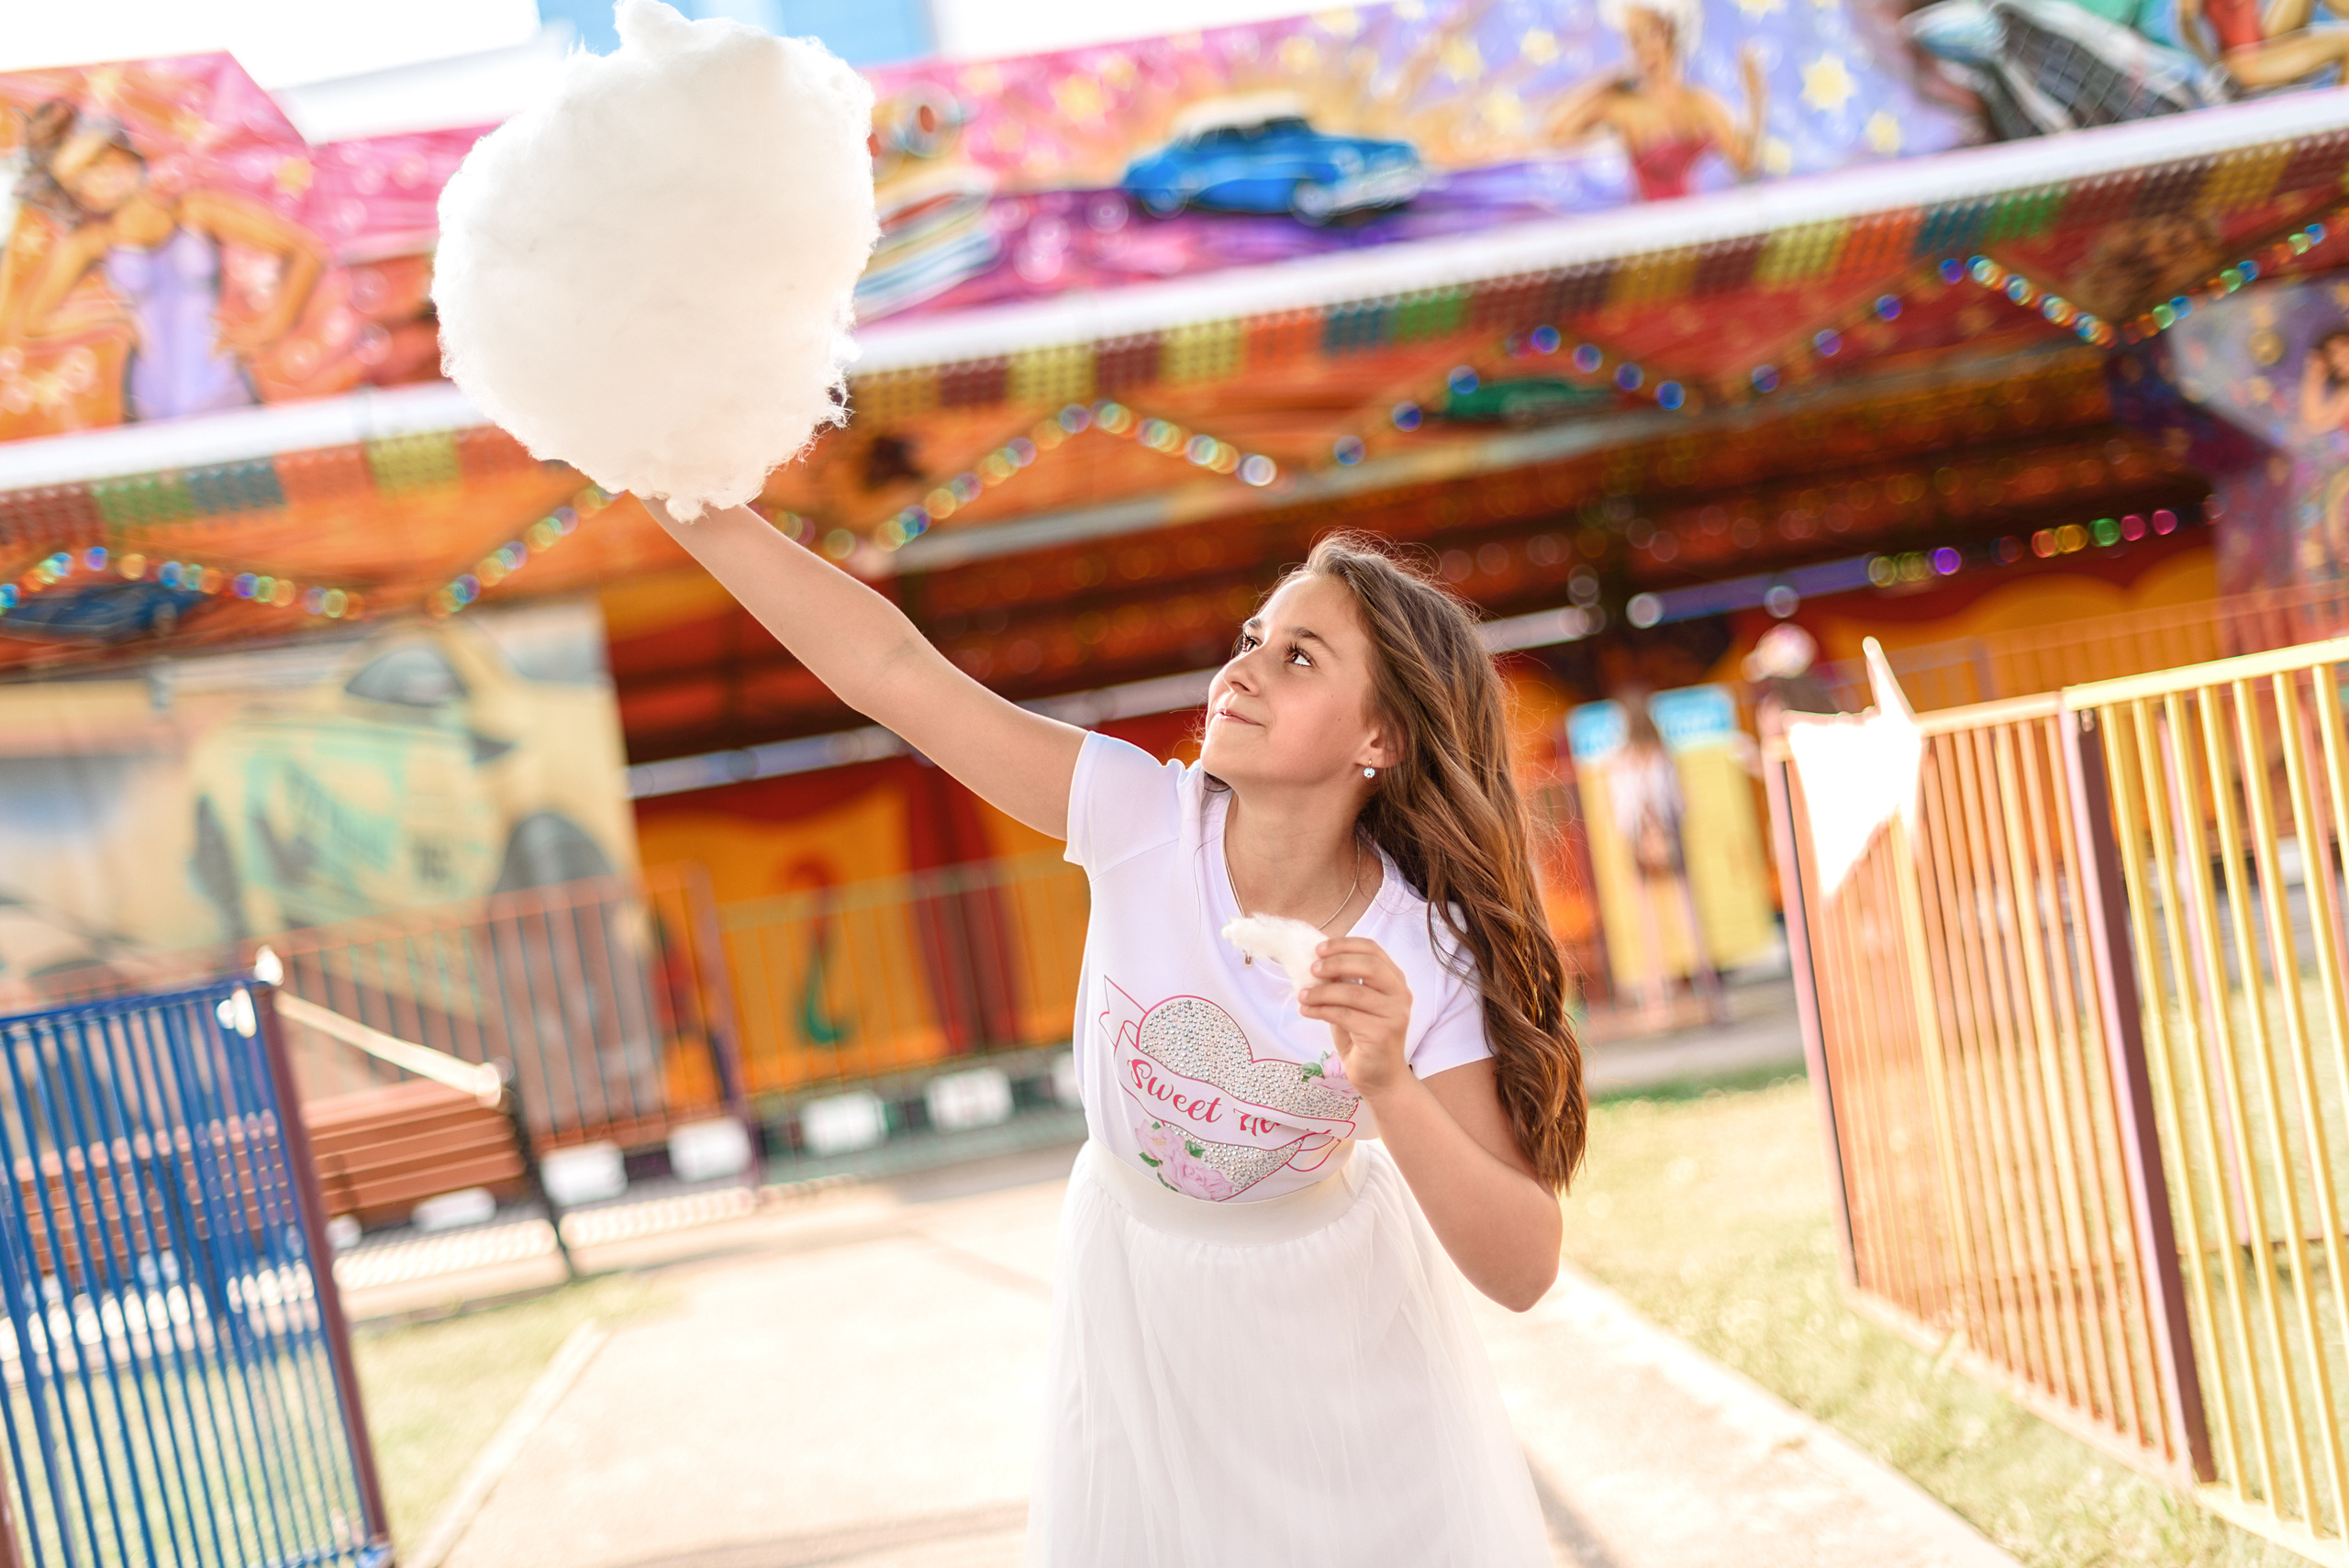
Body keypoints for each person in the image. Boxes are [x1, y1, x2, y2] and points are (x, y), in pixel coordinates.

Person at [649, 506, 1578, 1565]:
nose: (1244, 670)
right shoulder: (1141, 816)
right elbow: (892, 668)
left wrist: (1390, 1085)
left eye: (1298, 655)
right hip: (1133, 1294)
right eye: (1250, 640)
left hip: (1329, 1330)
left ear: (1382, 736)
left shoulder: (1422, 949)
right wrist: (694, 500)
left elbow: (1523, 1266)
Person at [3, 100, 323, 422]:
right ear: (74, 195)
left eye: (100, 158)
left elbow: (305, 251)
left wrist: (269, 328)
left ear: (121, 146)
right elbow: (31, 323)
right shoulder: (92, 241)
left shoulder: (196, 209)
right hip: (151, 399)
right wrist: (112, 316)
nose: (101, 178)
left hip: (223, 385)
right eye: (81, 179)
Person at [1545, 0, 1768, 202]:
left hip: (1695, 233)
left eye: (1650, 33)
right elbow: (1558, 133)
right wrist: (1610, 83)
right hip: (1651, 235)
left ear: (1670, 32)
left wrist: (1756, 98)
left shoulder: (1700, 103)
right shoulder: (1626, 107)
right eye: (1634, 40)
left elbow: (1746, 165)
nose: (1643, 48)